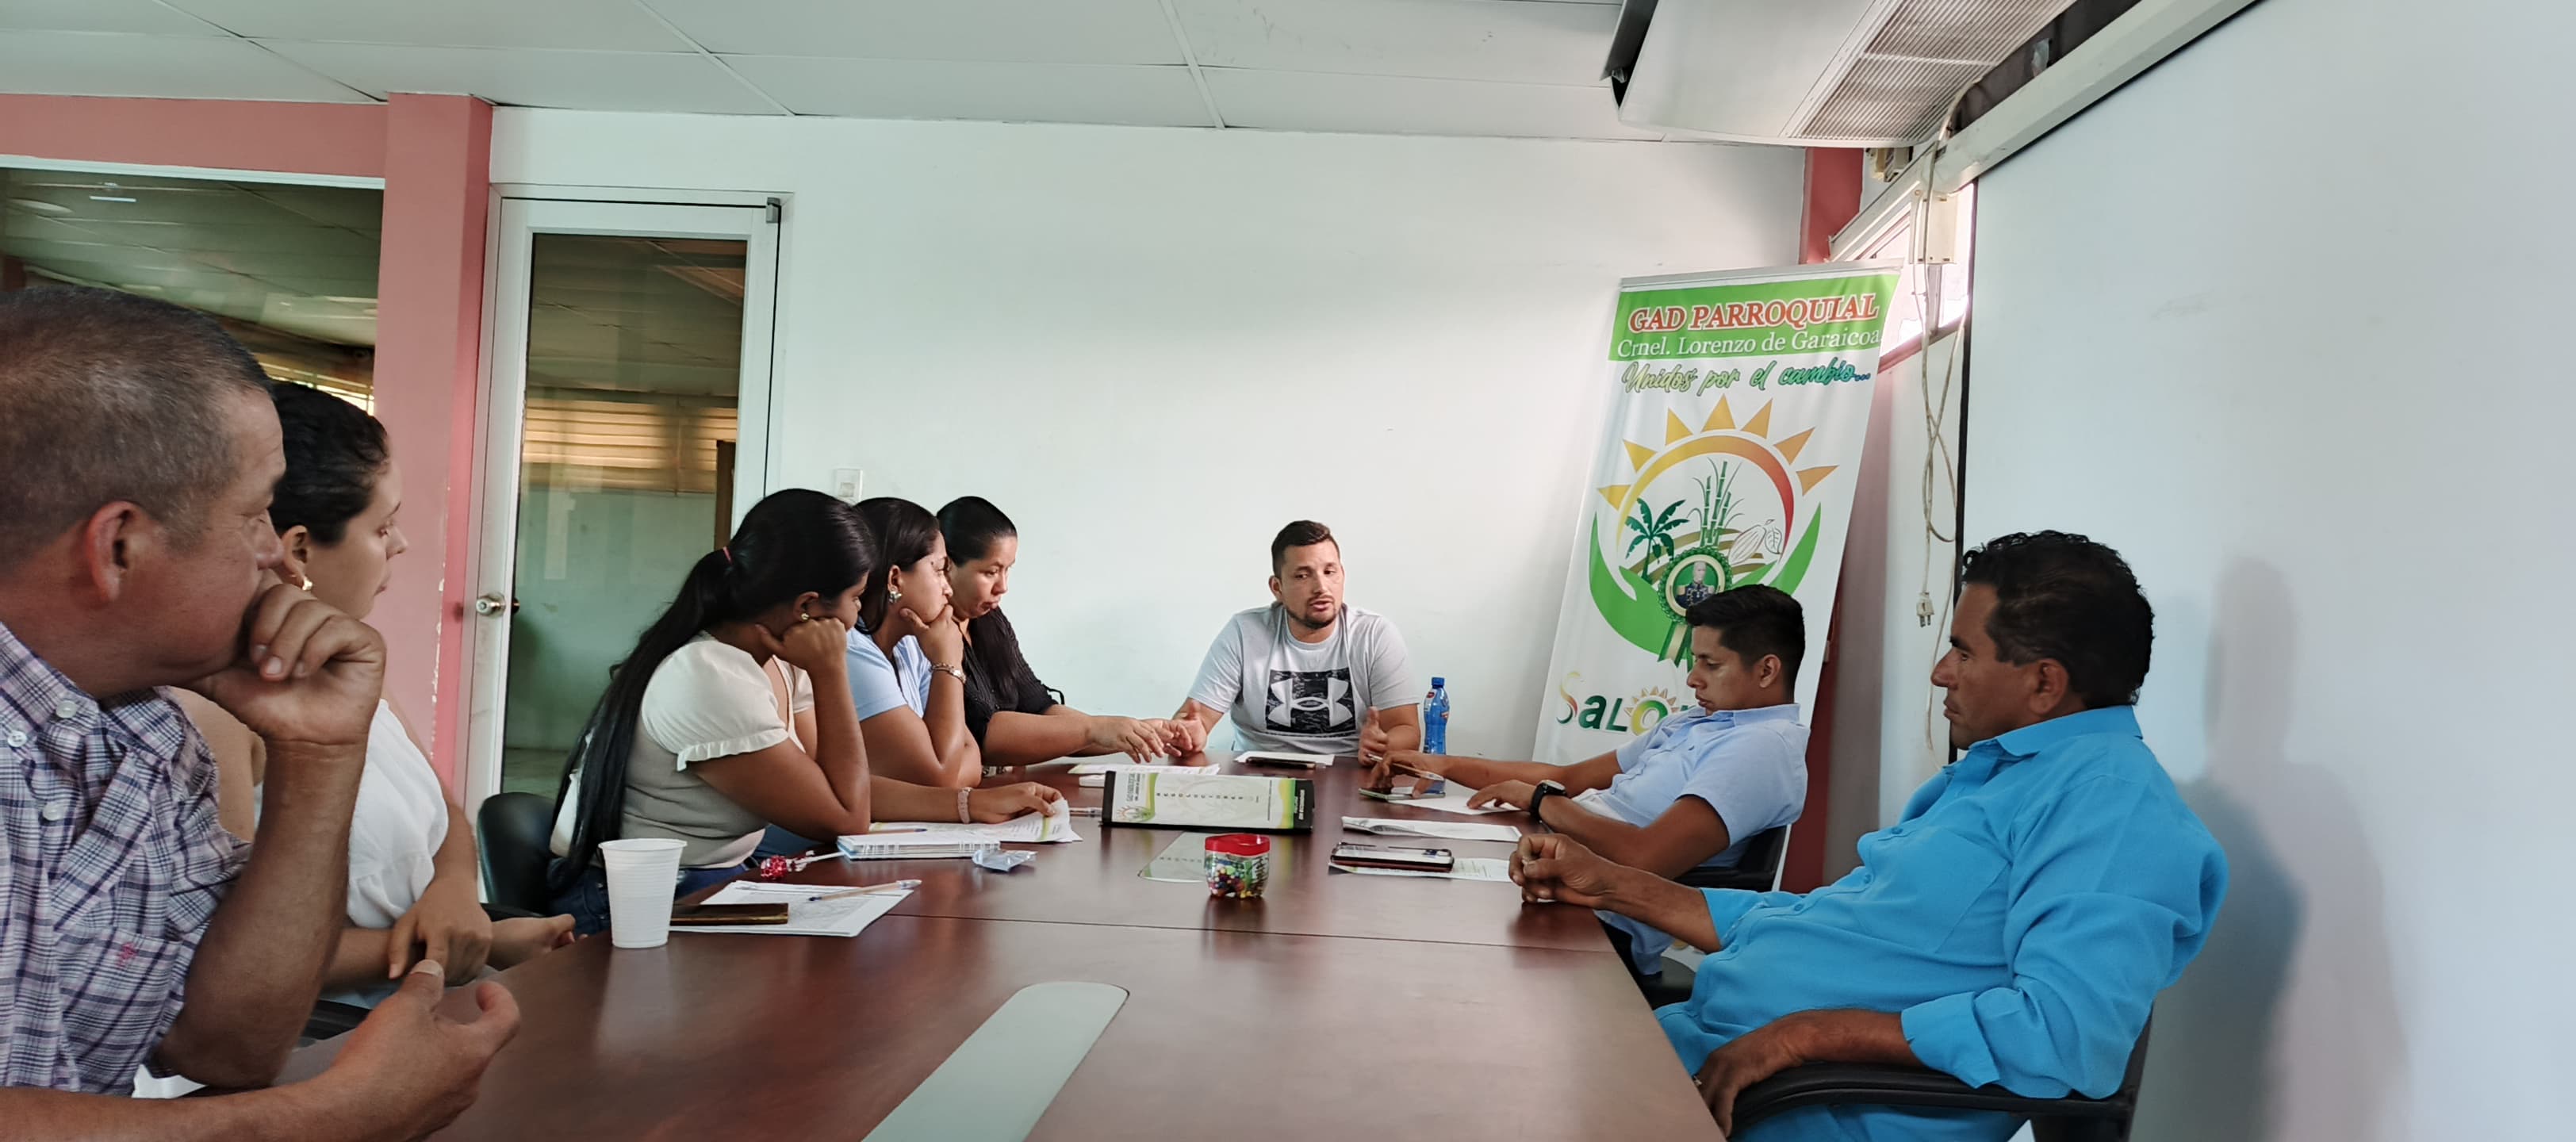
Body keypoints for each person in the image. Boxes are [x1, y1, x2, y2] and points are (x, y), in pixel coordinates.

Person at [1512, 533, 2229, 1140]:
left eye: (1963, 652)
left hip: (1802, 1108)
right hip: (1716, 1051)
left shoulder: (2111, 806)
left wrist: (1802, 1038)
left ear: (2044, 684)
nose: (1940, 673)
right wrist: (1612, 885)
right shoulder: (1994, 775)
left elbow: (2064, 1035)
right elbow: (1820, 921)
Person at [0, 286, 513, 1134]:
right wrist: (334, 1116)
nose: (277, 555)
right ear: (119, 546)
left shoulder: (139, 728)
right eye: (253, 515)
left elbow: (228, 1048)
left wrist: (320, 756)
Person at [177, 383, 575, 1006]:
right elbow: (226, 954)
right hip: (328, 1028)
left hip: (425, 992)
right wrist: (466, 945)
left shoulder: (348, 658)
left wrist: (454, 898)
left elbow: (448, 820)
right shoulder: (212, 711)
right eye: (383, 526)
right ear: (298, 548)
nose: (400, 544)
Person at [547, 490, 1061, 934]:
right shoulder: (709, 674)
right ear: (808, 606)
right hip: (626, 903)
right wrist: (831, 671)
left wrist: (969, 806)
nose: (860, 614)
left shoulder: (776, 661)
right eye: (857, 597)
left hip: (708, 882)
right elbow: (844, 816)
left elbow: (838, 784)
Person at [1367, 584, 1810, 976]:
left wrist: (1542, 801)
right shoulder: (1696, 722)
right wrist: (1441, 764)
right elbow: (1568, 777)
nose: (1693, 678)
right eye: (1696, 661)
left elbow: (1645, 858)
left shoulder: (1762, 748)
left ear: (1767, 671)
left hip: (1596, 919)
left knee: (1407, 927)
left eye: (1711, 664)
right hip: (1552, 862)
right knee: (1393, 880)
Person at [937, 496, 1186, 765]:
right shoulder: (928, 636)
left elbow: (1039, 708)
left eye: (1008, 570)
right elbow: (982, 735)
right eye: (990, 572)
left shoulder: (991, 620)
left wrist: (1131, 731)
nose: (1003, 587)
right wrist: (1096, 729)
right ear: (946, 566)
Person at [1171, 519, 1421, 761]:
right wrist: (1188, 733)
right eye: (1303, 576)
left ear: (1343, 575)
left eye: (1330, 572)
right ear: (1277, 588)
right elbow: (1197, 718)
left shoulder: (1374, 634)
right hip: (1258, 776)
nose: (1321, 587)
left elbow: (1406, 728)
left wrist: (1384, 744)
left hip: (1350, 773)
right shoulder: (1244, 632)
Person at [845, 496, 978, 788]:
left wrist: (941, 778)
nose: (948, 588)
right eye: (939, 569)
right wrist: (949, 664)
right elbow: (941, 776)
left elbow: (970, 756)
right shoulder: (852, 651)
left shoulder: (910, 645)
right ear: (895, 580)